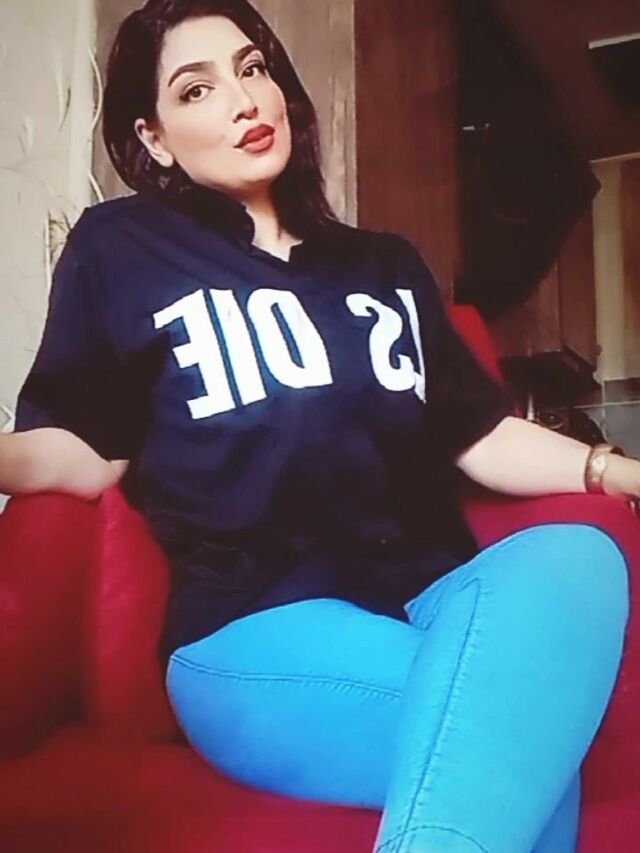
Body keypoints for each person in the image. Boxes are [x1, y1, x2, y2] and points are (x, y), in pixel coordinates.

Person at [0, 2, 637, 850]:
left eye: (252, 68)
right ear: (154, 138)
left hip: (429, 599)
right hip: (256, 624)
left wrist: (613, 469)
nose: (243, 100)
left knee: (579, 555)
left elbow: (478, 433)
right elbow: (87, 450)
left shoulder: (384, 265)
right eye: (197, 89)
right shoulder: (124, 247)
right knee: (523, 740)